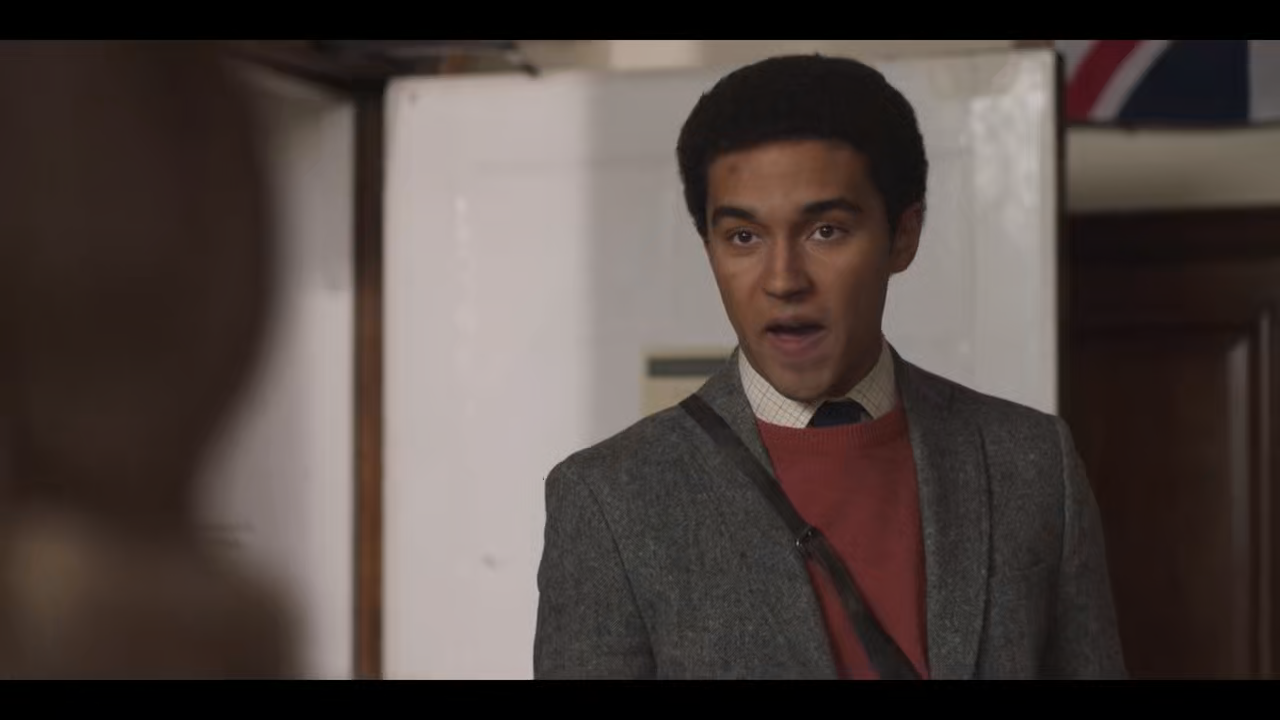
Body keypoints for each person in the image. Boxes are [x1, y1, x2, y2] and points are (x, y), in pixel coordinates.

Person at [532, 54, 1126, 680]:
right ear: (709, 247)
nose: (783, 279)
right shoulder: (610, 499)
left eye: (825, 231)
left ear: (903, 235)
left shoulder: (1031, 463)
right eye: (744, 237)